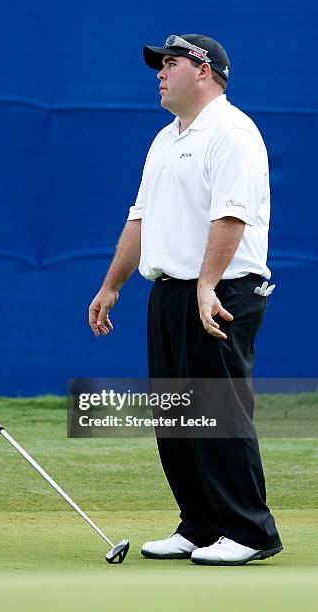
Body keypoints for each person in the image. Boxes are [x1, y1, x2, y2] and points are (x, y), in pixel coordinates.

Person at [88, 33, 282, 566]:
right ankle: (199, 524)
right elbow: (140, 218)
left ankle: (249, 530)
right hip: (170, 293)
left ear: (205, 71)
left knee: (218, 412)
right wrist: (112, 284)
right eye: (160, 65)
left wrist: (206, 285)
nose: (160, 72)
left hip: (221, 291)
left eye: (170, 63)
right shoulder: (165, 139)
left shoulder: (233, 133)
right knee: (176, 417)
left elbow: (231, 216)